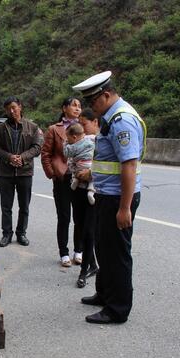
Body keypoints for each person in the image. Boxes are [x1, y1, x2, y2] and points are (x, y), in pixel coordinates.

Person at [73, 71, 145, 324]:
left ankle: (117, 309)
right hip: (106, 195)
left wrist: (124, 208)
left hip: (117, 198)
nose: (90, 107)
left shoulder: (122, 121)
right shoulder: (110, 118)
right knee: (103, 249)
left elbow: (129, 165)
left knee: (117, 254)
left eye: (93, 101)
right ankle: (104, 294)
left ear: (106, 95)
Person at [0, 96, 43, 247]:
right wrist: (9, 157)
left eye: (14, 107)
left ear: (20, 107)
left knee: (24, 206)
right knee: (6, 206)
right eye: (8, 109)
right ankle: (6, 234)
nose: (11, 111)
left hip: (25, 172)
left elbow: (37, 147)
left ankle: (21, 233)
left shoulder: (32, 127)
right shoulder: (1, 128)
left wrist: (22, 157)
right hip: (6, 173)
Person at [41, 97, 83, 267]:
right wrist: (53, 174)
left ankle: (79, 250)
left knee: (80, 217)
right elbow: (45, 154)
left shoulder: (84, 127)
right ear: (64, 108)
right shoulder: (54, 129)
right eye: (74, 105)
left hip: (81, 178)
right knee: (64, 217)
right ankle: (64, 253)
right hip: (62, 179)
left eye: (79, 106)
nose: (77, 108)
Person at [67, 111, 99, 288]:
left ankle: (83, 271)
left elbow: (106, 166)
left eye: (84, 124)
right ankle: (92, 265)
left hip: (93, 192)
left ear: (95, 122)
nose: (82, 129)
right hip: (77, 190)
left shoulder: (101, 141)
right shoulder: (80, 142)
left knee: (88, 232)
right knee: (80, 227)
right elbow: (71, 159)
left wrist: (90, 174)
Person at [63, 123, 95, 204]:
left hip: (80, 164)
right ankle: (91, 191)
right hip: (90, 164)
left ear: (74, 137)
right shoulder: (91, 141)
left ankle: (75, 180)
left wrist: (65, 143)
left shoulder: (73, 146)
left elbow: (66, 154)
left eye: (68, 138)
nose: (67, 140)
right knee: (93, 180)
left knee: (76, 170)